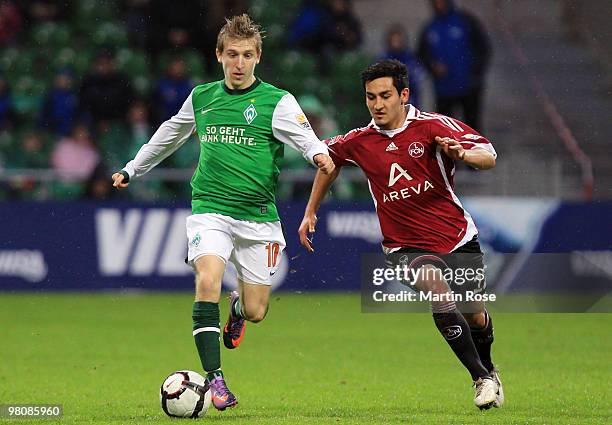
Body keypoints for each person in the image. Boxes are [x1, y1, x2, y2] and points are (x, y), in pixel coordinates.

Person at [111, 14, 334, 411]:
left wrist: (317, 153)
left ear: (258, 57)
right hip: (210, 209)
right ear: (219, 55)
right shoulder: (202, 97)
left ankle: (236, 310)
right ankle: (216, 380)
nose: (239, 63)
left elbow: (308, 139)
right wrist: (132, 168)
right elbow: (168, 135)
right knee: (207, 279)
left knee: (256, 310)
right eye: (232, 54)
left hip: (259, 217)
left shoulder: (276, 102)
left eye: (247, 55)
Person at [298, 60, 503, 410]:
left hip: (456, 236)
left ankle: (490, 368)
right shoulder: (360, 140)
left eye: (385, 96)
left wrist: (464, 153)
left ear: (404, 94)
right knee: (437, 288)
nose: (377, 104)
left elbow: (489, 155)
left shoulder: (432, 126)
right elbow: (327, 162)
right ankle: (479, 378)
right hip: (404, 246)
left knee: (475, 314)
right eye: (370, 97)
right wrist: (310, 210)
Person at [417, 0, 491, 131]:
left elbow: (483, 48)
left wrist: (475, 73)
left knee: (472, 129)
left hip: (468, 87)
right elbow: (422, 55)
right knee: (444, 131)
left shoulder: (465, 21)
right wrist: (433, 67)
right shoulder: (430, 27)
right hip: (443, 89)